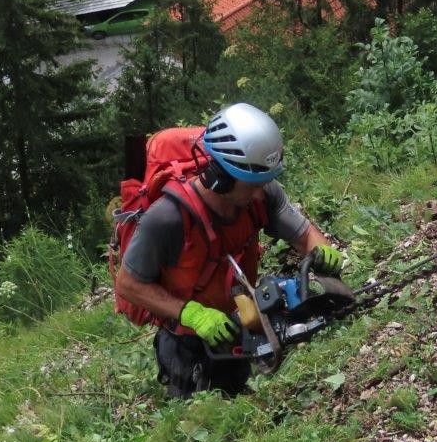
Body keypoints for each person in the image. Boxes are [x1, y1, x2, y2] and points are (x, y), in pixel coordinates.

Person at [115, 103, 345, 398]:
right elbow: (129, 284)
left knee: (242, 399)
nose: (261, 192)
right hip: (188, 343)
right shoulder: (168, 218)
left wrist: (321, 250)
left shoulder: (262, 194)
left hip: (240, 323)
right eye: (252, 185)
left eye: (265, 182)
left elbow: (302, 234)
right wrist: (193, 315)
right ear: (218, 175)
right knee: (202, 421)